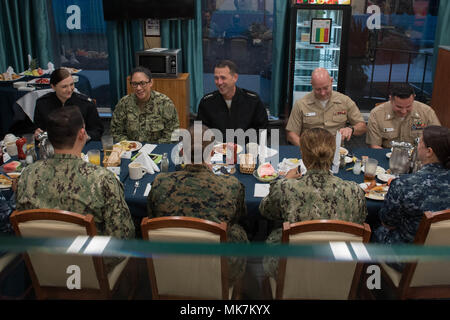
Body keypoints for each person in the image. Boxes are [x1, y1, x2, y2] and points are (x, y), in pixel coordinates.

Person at [16, 106, 135, 271]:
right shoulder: (102, 179)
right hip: (91, 270)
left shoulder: (27, 175)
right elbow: (123, 237)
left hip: (44, 267)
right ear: (82, 134)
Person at [147, 125, 248, 284]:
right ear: (213, 152)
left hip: (169, 267)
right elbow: (238, 217)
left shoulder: (160, 183)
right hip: (216, 271)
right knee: (238, 231)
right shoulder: (231, 186)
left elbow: (152, 218)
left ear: (181, 152)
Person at [260, 128, 368, 278]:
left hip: (291, 269)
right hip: (339, 270)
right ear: (333, 153)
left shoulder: (286, 187)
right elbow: (359, 221)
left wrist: (284, 180)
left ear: (303, 155)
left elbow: (266, 211)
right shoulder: (355, 191)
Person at [372, 125, 450, 271]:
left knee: (373, 230)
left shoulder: (404, 184)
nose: (417, 146)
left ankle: (371, 284)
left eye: (419, 142)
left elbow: (388, 223)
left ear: (429, 152)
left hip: (410, 259)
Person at [286, 68, 367, 146]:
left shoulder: (345, 101)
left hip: (336, 150)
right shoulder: (301, 104)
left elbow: (362, 127)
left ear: (331, 81)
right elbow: (291, 134)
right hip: (310, 150)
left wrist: (351, 130)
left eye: (325, 88)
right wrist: (305, 150)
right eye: (318, 89)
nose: (322, 93)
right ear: (312, 85)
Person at [196, 60, 268, 138]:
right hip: (217, 148)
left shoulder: (253, 101)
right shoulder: (206, 102)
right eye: (216, 78)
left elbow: (263, 131)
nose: (219, 82)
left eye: (223, 78)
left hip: (245, 147)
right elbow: (200, 132)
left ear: (235, 78)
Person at [110, 66, 179, 143]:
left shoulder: (165, 103)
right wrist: (130, 145)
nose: (138, 88)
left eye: (143, 83)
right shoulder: (124, 103)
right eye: (134, 84)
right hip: (130, 150)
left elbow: (173, 134)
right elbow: (116, 132)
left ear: (151, 83)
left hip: (157, 150)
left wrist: (150, 148)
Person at [34, 68, 104, 141]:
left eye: (71, 84)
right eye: (64, 86)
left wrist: (87, 136)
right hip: (52, 146)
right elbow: (38, 129)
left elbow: (97, 131)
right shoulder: (42, 103)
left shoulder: (86, 104)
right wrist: (37, 133)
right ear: (53, 87)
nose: (69, 89)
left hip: (80, 147)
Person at [366, 83, 441, 149]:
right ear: (391, 99)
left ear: (414, 97)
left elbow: (437, 140)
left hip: (417, 155)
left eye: (408, 106)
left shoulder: (426, 112)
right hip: (387, 155)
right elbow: (374, 146)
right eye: (399, 107)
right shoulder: (377, 113)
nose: (403, 111)